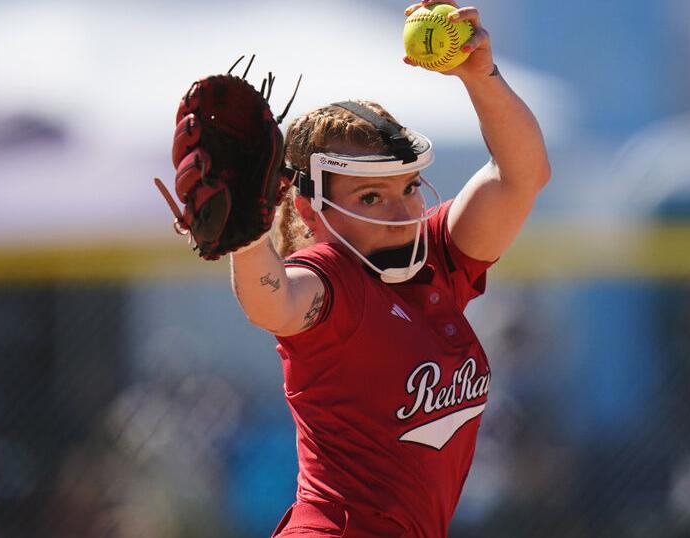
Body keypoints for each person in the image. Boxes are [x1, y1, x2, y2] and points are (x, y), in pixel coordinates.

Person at [230, 2, 550, 535]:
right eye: (372, 196)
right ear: (311, 209)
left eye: (407, 188)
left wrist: (480, 76)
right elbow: (277, 300)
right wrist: (245, 235)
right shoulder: (333, 276)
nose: (404, 211)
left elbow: (523, 175)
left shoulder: (436, 259)